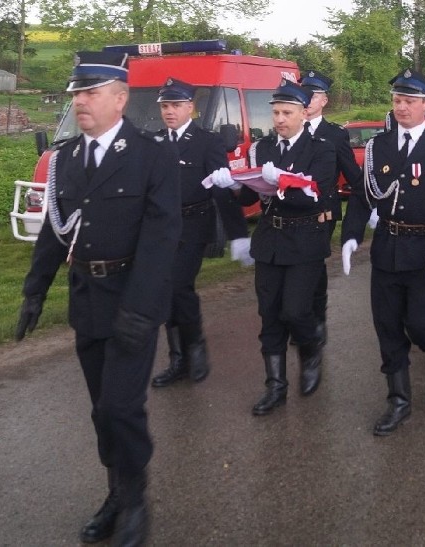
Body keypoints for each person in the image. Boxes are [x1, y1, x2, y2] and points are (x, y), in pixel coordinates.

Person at [14, 51, 182, 545]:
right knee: (99, 407)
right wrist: (34, 292)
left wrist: (141, 307)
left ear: (120, 98)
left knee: (120, 408)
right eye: (76, 94)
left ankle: (134, 500)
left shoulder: (151, 154)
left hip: (131, 301)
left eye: (89, 93)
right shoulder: (66, 158)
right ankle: (117, 489)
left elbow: (161, 237)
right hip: (87, 298)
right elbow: (54, 231)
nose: (80, 101)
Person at [341, 68, 425, 436]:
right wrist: (352, 235)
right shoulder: (377, 146)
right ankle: (398, 400)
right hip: (388, 248)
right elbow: (363, 195)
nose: (401, 107)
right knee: (387, 327)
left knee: (420, 323)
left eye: (410, 101)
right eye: (397, 100)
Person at [215, 80, 337, 415]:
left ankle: (310, 352)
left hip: (305, 240)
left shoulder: (321, 149)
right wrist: (235, 187)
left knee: (295, 311)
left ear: (302, 113)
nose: (280, 119)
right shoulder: (264, 148)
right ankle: (275, 387)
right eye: (276, 113)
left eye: (286, 112)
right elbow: (254, 196)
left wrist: (279, 181)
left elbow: (315, 196)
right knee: (269, 315)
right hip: (270, 241)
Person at [150, 77, 251, 389]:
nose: (169, 111)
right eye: (165, 106)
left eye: (176, 105)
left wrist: (238, 234)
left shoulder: (207, 142)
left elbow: (221, 187)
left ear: (190, 108)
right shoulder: (153, 142)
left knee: (179, 285)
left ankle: (196, 349)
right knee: (167, 291)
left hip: (194, 224)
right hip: (161, 230)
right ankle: (177, 358)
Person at [300, 70, 363, 340]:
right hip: (292, 209)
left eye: (313, 95)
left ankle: (317, 318)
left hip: (323, 211)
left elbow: (352, 174)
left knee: (313, 263)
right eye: (304, 94)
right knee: (294, 264)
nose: (307, 100)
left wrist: (368, 204)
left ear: (324, 101)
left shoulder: (335, 134)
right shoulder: (289, 128)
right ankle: (299, 316)